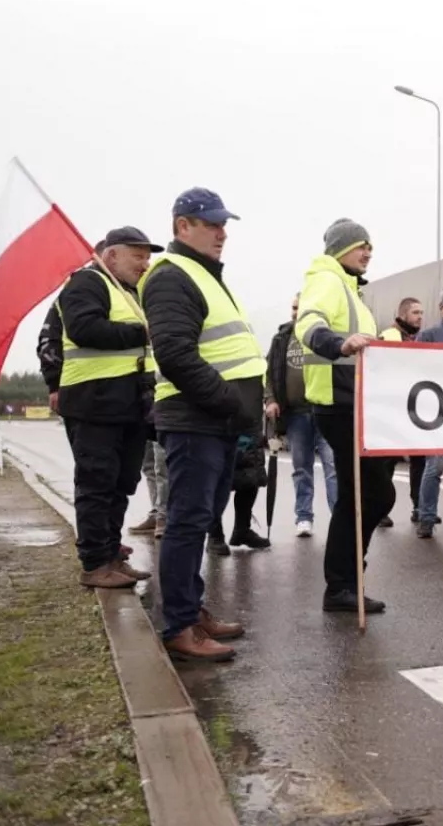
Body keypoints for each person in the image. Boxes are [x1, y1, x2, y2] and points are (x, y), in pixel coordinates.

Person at [140, 189, 261, 661]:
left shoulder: (203, 275)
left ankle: (191, 608)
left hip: (214, 422)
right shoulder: (173, 276)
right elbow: (175, 354)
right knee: (187, 523)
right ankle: (179, 626)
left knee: (199, 518)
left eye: (222, 223)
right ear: (181, 226)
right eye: (210, 223)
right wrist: (228, 402)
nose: (221, 231)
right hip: (196, 420)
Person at [296, 218, 397, 614]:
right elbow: (310, 323)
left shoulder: (350, 288)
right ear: (339, 250)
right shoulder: (326, 279)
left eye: (370, 245)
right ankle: (341, 583)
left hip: (355, 403)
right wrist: (338, 344)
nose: (368, 252)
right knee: (372, 494)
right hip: (339, 404)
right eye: (360, 245)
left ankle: (345, 581)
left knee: (366, 495)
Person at [58, 227, 160, 589]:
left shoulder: (130, 292)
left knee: (122, 483)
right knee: (96, 483)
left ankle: (111, 554)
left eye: (147, 256)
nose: (145, 263)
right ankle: (94, 563)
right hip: (93, 402)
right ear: (111, 255)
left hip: (129, 405)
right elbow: (85, 328)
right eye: (138, 255)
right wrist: (143, 332)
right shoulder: (86, 283)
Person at [265, 295, 337, 538]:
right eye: (294, 307)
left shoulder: (325, 335)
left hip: (325, 410)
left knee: (332, 467)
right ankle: (304, 517)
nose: (296, 312)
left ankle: (339, 518)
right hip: (295, 414)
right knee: (301, 467)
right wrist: (271, 400)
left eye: (301, 307)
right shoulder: (281, 339)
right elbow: (270, 373)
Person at [416, 288, 443, 533]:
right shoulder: (428, 335)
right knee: (434, 467)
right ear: (442, 306)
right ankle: (426, 517)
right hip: (436, 412)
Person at [379, 296, 426, 528]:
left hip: (415, 409)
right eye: (416, 313)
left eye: (422, 313)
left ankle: (418, 506)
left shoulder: (419, 338)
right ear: (403, 314)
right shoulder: (389, 336)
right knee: (388, 463)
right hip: (393, 409)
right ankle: (381, 510)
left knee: (419, 461)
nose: (420, 317)